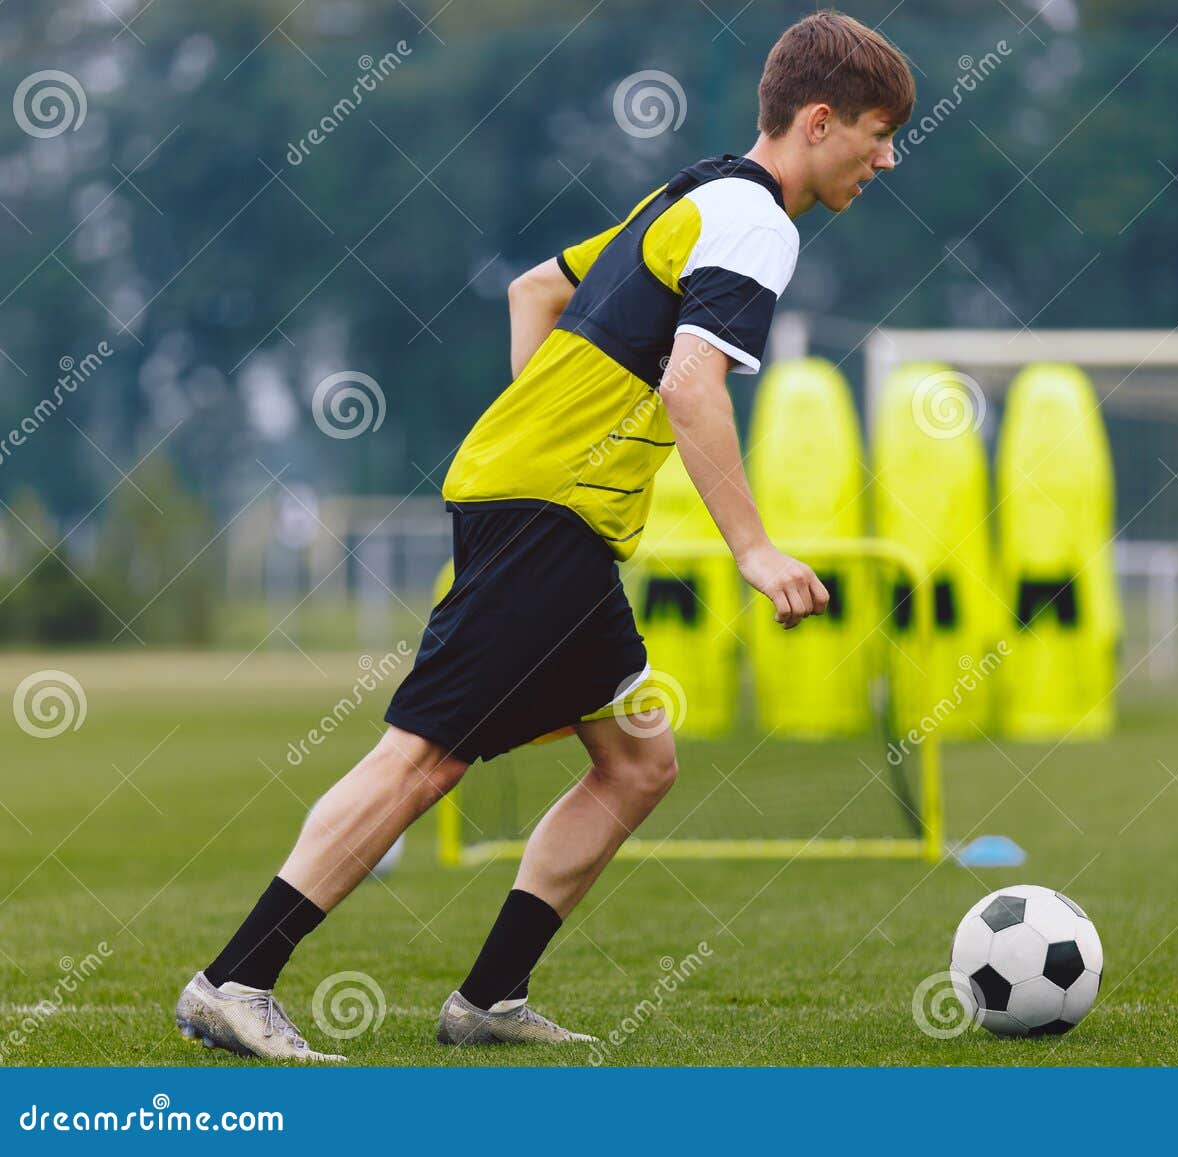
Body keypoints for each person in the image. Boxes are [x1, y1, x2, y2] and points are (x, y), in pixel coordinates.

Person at [173, 10, 914, 1060]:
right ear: (818, 119)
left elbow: (539, 286)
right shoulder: (757, 222)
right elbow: (692, 384)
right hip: (548, 513)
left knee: (636, 759)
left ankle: (489, 997)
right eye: (877, 133)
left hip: (534, 496)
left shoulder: (690, 192)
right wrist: (752, 545)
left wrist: (546, 424)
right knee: (425, 757)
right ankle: (234, 977)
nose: (885, 158)